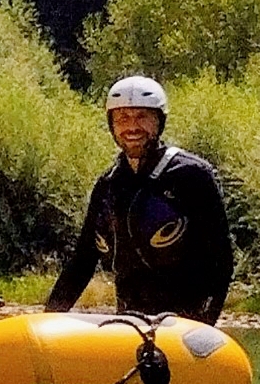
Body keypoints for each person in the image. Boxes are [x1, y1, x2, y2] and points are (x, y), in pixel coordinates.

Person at [46, 74, 235, 323]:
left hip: (184, 324)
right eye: (122, 118)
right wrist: (47, 319)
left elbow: (222, 262)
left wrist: (204, 325)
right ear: (112, 124)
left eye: (142, 117)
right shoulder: (108, 185)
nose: (132, 127)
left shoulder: (192, 175)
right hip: (128, 323)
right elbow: (82, 262)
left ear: (159, 121)